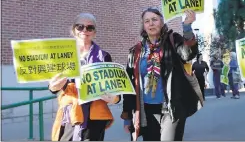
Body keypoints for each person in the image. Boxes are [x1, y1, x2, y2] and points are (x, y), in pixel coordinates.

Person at [121, 8, 203, 141]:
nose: (151, 23)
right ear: (143, 26)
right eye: (147, 21)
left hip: (171, 108)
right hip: (146, 111)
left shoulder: (173, 40)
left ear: (162, 22)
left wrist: (187, 27)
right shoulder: (135, 52)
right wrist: (127, 117)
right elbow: (129, 85)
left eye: (154, 19)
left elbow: (188, 54)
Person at [48, 13, 121, 141]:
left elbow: (116, 93)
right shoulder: (63, 55)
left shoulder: (104, 57)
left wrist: (113, 98)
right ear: (73, 30)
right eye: (80, 27)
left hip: (95, 117)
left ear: (94, 32)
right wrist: (53, 86)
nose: (85, 30)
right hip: (70, 115)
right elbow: (53, 87)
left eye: (90, 27)